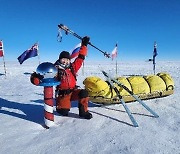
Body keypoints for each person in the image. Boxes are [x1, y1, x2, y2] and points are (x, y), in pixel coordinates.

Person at [54, 36, 92, 119]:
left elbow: (80, 58)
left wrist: (84, 45)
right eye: (63, 59)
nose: (65, 61)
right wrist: (36, 77)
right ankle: (61, 106)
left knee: (83, 92)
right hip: (63, 94)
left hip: (73, 91)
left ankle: (83, 112)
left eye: (67, 59)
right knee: (64, 112)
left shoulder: (73, 67)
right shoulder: (55, 69)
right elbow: (45, 76)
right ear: (59, 59)